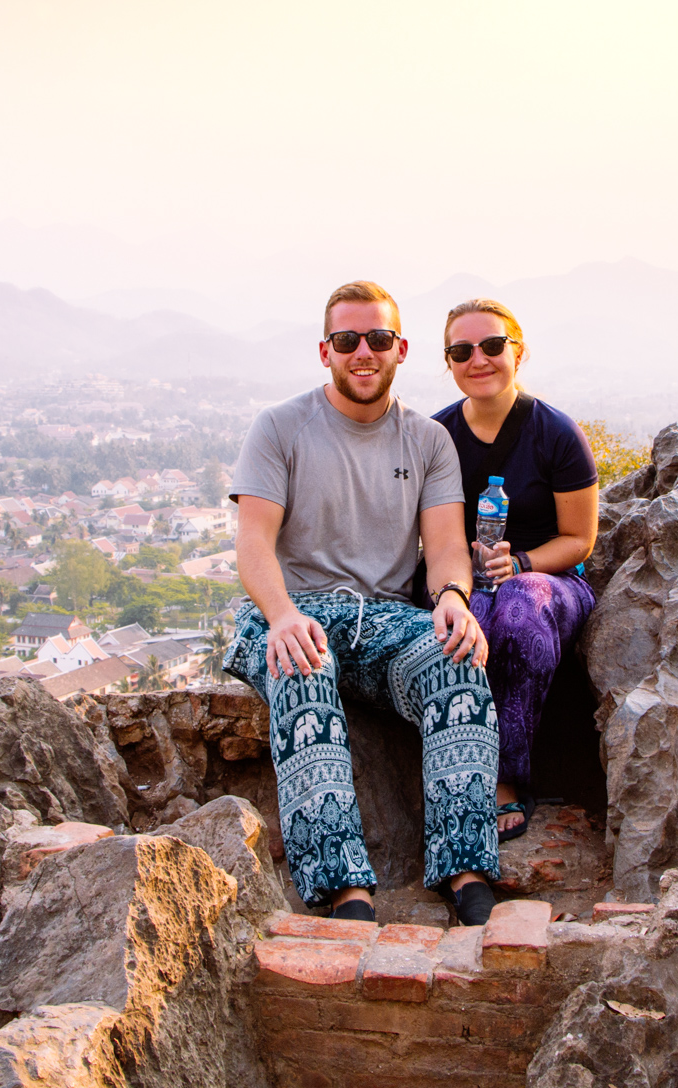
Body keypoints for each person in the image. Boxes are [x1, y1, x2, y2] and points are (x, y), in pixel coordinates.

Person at [224, 280, 502, 925]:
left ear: (400, 349)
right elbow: (254, 544)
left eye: (378, 339)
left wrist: (455, 599)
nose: (363, 353)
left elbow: (444, 548)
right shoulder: (280, 427)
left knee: (455, 661)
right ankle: (344, 889)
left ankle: (464, 869)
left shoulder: (427, 442)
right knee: (303, 665)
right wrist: (283, 614)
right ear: (326, 351)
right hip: (290, 609)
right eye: (347, 341)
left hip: (382, 621)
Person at [430, 298, 598, 841]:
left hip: (550, 581)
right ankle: (457, 776)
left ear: (518, 353)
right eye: (462, 350)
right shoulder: (438, 438)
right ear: (449, 362)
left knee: (518, 609)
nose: (478, 359)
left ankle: (507, 780)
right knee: (469, 620)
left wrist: (522, 561)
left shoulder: (555, 433)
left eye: (493, 345)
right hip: (465, 579)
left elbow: (580, 539)